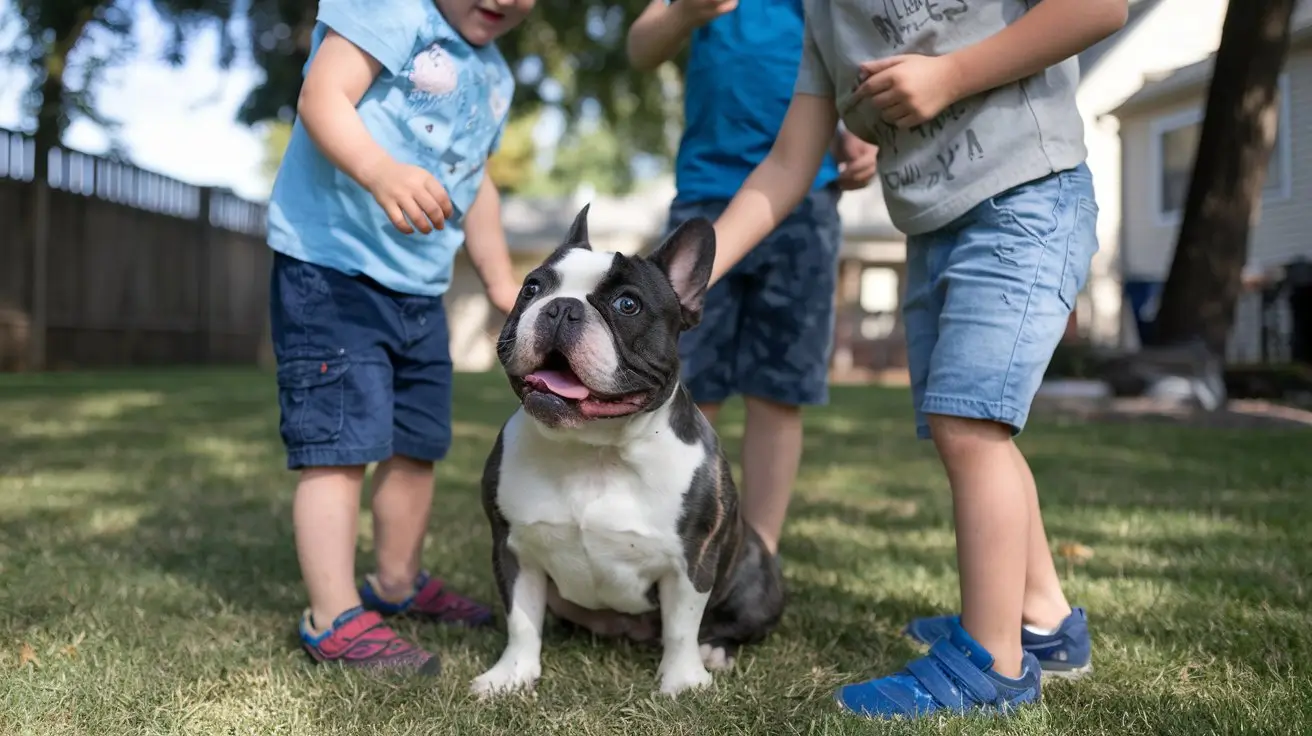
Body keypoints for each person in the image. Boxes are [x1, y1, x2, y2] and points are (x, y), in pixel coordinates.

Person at [702, 0, 1129, 719]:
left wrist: (951, 75)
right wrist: (687, 270)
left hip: (1027, 199)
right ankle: (1045, 622)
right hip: (936, 231)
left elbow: (1099, 8)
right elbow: (787, 164)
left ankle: (992, 664)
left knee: (970, 426)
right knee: (967, 429)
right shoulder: (823, 18)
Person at [264, 0, 534, 674]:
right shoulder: (390, 6)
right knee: (338, 444)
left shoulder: (495, 74)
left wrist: (503, 284)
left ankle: (394, 583)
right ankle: (331, 619)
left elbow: (478, 187)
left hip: (419, 288)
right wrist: (381, 171)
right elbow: (323, 96)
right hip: (333, 270)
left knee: (417, 443)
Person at [626, 0, 878, 557]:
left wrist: (859, 134)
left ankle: (759, 557)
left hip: (805, 203)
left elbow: (856, 54)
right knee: (686, 387)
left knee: (778, 392)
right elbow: (640, 46)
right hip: (706, 199)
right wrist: (682, 15)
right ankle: (668, 544)